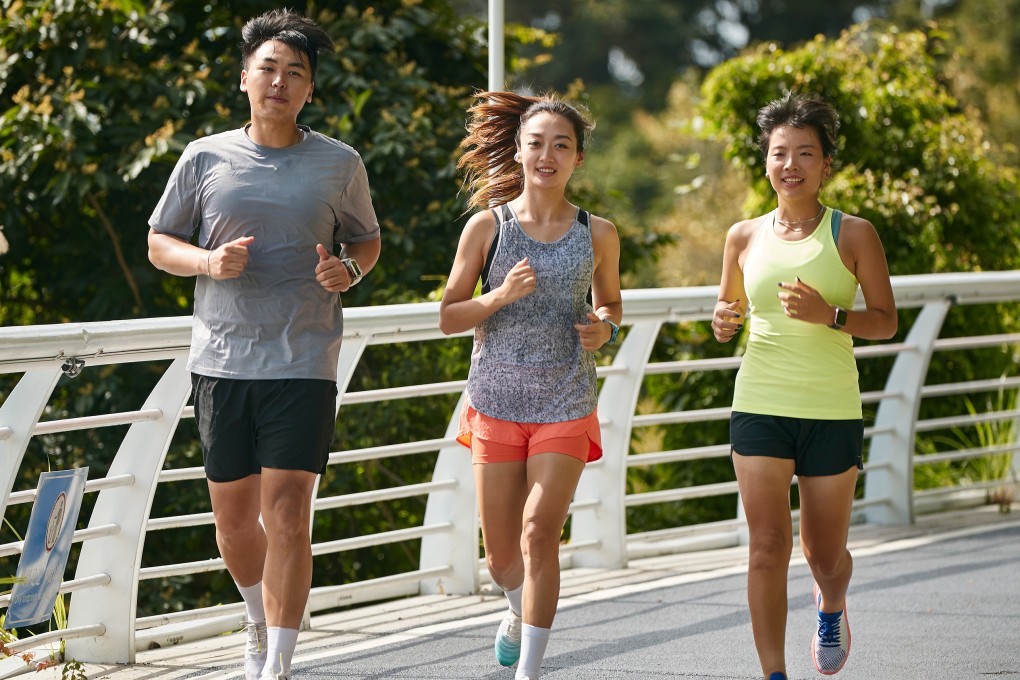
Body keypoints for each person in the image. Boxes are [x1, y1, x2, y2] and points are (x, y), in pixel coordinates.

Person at [146, 9, 381, 680]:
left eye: (295, 73)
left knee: (287, 513)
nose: (279, 81)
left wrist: (351, 270)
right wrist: (207, 263)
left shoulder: (339, 163)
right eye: (268, 69)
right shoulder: (205, 156)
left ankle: (276, 662)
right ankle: (256, 615)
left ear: (310, 90)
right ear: (245, 78)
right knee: (233, 523)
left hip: (305, 359)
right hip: (221, 360)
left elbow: (365, 239)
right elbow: (161, 242)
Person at [712, 91, 897, 680]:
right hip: (760, 400)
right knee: (767, 546)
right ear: (765, 162)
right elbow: (728, 309)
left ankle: (832, 604)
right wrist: (721, 321)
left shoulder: (854, 234)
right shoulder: (742, 236)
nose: (790, 165)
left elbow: (887, 321)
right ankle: (772, 673)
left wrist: (833, 316)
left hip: (830, 408)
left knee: (824, 556)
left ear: (825, 165)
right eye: (779, 153)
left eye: (805, 154)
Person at [439, 91, 622, 680]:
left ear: (578, 159)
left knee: (540, 532)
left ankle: (532, 672)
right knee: (500, 557)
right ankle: (516, 609)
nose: (547, 154)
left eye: (561, 145)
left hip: (565, 398)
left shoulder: (599, 232)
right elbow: (448, 315)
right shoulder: (486, 228)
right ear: (517, 151)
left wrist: (604, 329)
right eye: (536, 143)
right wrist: (498, 297)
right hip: (495, 401)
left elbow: (611, 302)